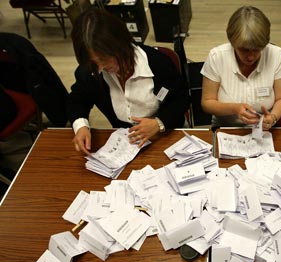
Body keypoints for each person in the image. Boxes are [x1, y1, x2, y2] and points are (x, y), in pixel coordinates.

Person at [67, 8, 190, 155]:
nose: (101, 67)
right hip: (126, 145)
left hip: (165, 137)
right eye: (94, 62)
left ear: (120, 44)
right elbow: (77, 101)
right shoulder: (91, 72)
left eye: (104, 59)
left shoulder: (158, 63)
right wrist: (81, 126)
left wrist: (159, 123)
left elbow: (181, 98)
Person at [200, 6, 281, 131]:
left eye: (257, 49)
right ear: (232, 42)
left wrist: (273, 117)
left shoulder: (275, 54)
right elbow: (207, 103)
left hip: (264, 130)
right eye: (244, 50)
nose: (251, 57)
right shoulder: (217, 56)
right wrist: (234, 108)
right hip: (226, 128)